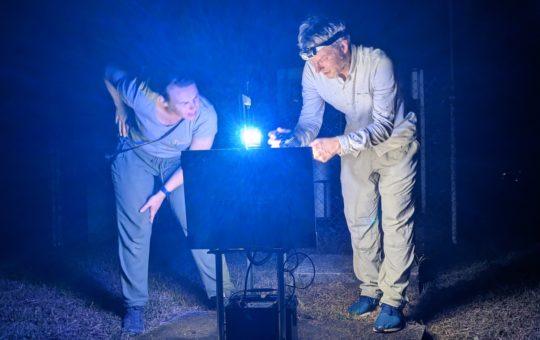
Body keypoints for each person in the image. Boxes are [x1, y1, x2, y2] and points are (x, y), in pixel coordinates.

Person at [268, 16, 418, 333]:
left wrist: (337, 144)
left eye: (321, 59)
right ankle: (370, 289)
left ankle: (393, 300)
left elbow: (383, 126)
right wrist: (293, 139)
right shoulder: (312, 70)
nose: (317, 68)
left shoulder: (379, 63)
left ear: (343, 46)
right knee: (358, 217)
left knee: (395, 221)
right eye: (311, 61)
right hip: (353, 143)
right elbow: (310, 120)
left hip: (396, 142)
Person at [104, 66, 234, 335]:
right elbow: (108, 72)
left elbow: (194, 164)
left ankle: (224, 295)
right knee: (137, 224)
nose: (194, 106)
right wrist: (120, 108)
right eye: (185, 102)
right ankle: (134, 305)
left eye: (195, 98)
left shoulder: (206, 115)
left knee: (199, 223)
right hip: (136, 155)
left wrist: (162, 194)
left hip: (179, 163)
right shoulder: (138, 94)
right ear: (163, 100)